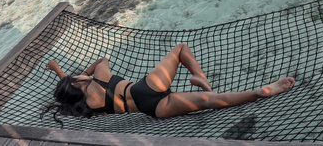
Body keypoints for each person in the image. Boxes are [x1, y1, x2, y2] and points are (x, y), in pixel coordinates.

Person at [42, 43, 295, 125]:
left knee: (215, 103)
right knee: (180, 49)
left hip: (154, 109)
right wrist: (85, 73)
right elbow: (102, 58)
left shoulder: (87, 107)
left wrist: (61, 74)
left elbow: (69, 93)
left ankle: (261, 93)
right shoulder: (100, 76)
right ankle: (201, 77)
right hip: (145, 87)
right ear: (78, 81)